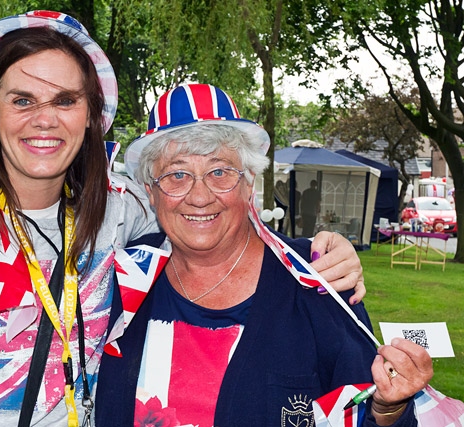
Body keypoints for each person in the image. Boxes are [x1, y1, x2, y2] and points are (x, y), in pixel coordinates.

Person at [0, 12, 365, 427]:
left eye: (65, 100)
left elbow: (212, 207)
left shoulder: (121, 209)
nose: (45, 118)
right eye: (22, 99)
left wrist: (316, 250)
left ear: (90, 116)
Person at [95, 84, 433, 427]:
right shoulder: (121, 279)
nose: (199, 196)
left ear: (249, 182)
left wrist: (388, 409)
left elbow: (365, 408)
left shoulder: (316, 277)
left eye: (219, 172)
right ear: (151, 192)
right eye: (177, 174)